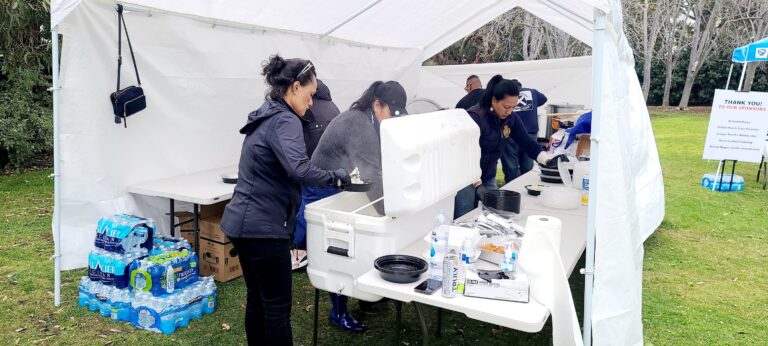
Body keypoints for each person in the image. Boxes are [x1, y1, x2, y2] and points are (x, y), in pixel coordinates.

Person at [220, 55, 350, 346]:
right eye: (310, 94)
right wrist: (337, 177)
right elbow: (299, 168)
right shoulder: (285, 120)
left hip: (242, 224)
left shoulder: (267, 113)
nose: (312, 102)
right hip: (264, 228)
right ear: (294, 87)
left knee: (258, 301)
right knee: (277, 309)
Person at [307, 80, 409, 333]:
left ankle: (365, 296)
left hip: (342, 184)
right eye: (392, 114)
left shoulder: (371, 118)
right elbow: (371, 175)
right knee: (339, 247)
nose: (394, 120)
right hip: (322, 189)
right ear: (377, 104)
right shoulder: (358, 124)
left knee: (357, 243)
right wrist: (391, 211)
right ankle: (337, 311)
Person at [454, 75, 562, 219]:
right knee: (465, 218)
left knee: (495, 216)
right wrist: (476, 183)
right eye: (506, 107)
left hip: (488, 175)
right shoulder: (475, 117)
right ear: (494, 100)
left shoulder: (510, 118)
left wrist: (548, 161)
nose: (510, 111)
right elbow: (462, 155)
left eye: (513, 107)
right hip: (466, 180)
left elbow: (527, 143)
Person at [291, 79, 341, 270]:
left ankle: (300, 253)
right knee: (329, 216)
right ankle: (327, 252)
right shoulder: (334, 108)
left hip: (313, 171)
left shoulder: (306, 110)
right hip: (335, 173)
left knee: (306, 211)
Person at [501, 80, 548, 184]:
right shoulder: (532, 92)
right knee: (528, 166)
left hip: (510, 134)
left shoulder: (507, 95)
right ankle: (527, 186)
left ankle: (512, 189)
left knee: (511, 165)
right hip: (530, 134)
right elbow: (544, 99)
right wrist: (533, 103)